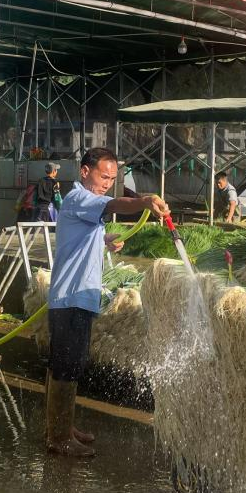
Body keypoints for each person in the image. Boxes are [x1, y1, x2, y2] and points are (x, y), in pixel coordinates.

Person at [47, 147, 170, 457]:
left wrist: (105, 240)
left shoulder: (83, 206)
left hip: (78, 297)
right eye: (103, 176)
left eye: (112, 179)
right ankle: (58, 437)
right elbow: (116, 203)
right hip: (70, 297)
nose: (107, 183)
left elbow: (81, 234)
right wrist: (143, 201)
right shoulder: (78, 198)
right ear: (85, 171)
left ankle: (64, 425)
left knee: (71, 364)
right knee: (66, 366)